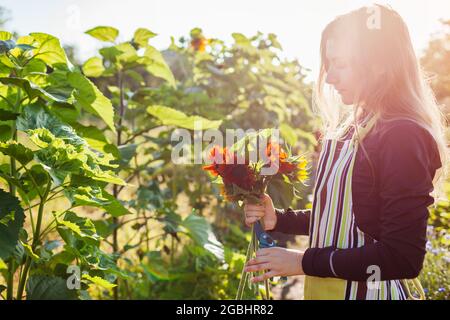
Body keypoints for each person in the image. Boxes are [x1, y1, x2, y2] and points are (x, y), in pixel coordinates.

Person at [243, 4, 447, 300]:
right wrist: (281, 220)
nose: (329, 78)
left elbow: (402, 256)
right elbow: (348, 218)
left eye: (340, 64)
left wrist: (302, 262)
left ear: (378, 64)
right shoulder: (357, 126)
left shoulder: (403, 135)